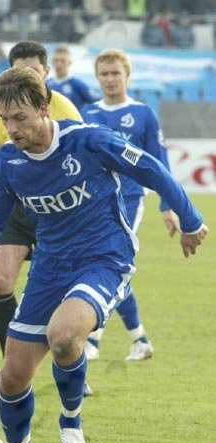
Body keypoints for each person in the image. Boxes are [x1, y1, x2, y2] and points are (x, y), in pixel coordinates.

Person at [0, 66, 207, 443]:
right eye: (4, 119)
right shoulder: (7, 161)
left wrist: (190, 219)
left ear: (44, 108)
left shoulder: (88, 140)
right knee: (12, 376)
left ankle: (71, 424)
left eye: (20, 117)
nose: (12, 128)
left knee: (64, 336)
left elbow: (151, 169)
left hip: (104, 258)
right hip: (50, 266)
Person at [0, 40, 92, 398]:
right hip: (19, 203)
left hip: (58, 207)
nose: (25, 76)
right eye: (17, 71)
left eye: (31, 70)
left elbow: (79, 162)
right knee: (0, 279)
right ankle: (11, 368)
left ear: (45, 72)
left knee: (61, 287)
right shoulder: (1, 106)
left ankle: (72, 360)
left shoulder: (65, 109)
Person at [81, 48, 179, 361]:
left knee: (109, 264)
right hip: (93, 202)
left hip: (130, 200)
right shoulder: (87, 114)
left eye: (116, 73)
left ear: (127, 76)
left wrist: (168, 205)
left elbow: (159, 162)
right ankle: (140, 340)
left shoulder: (143, 114)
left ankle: (93, 340)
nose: (110, 79)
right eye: (104, 74)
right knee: (108, 266)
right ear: (97, 78)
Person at [46, 45, 99, 111]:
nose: (59, 64)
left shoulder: (77, 85)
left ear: (69, 63)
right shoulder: (46, 84)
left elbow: (97, 103)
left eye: (63, 61)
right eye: (56, 60)